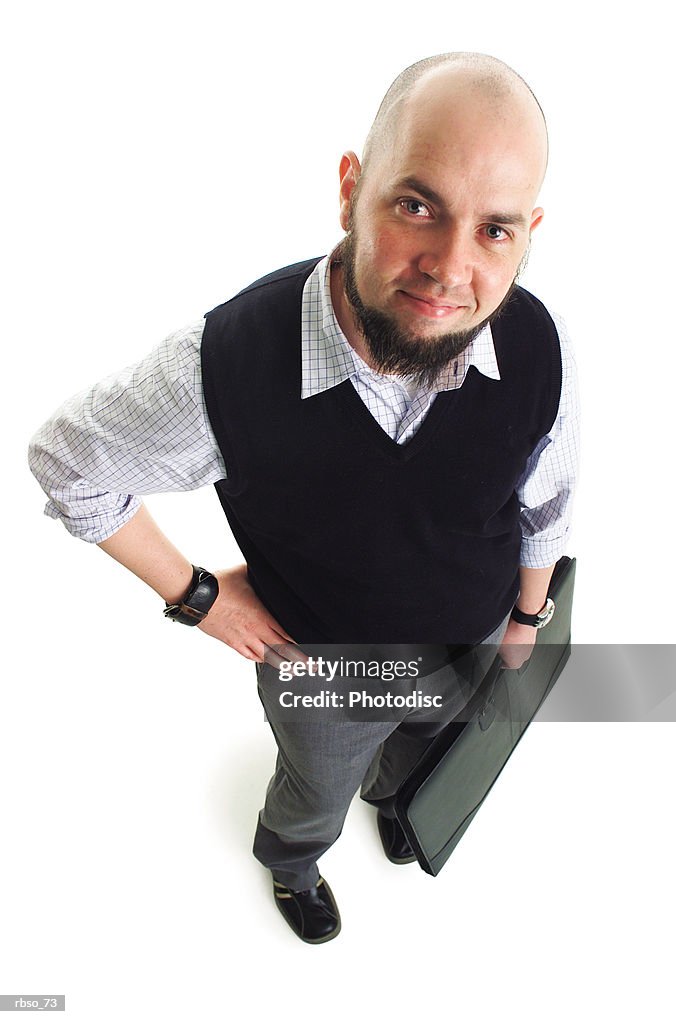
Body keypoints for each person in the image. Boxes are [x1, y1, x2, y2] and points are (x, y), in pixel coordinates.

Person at [29, 52, 579, 944]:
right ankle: (291, 864)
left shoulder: (540, 343)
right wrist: (195, 595)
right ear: (350, 190)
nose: (449, 269)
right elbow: (68, 460)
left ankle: (402, 793)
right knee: (314, 793)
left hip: (471, 634)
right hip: (323, 668)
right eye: (417, 205)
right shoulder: (224, 367)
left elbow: (548, 503)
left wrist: (526, 618)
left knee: (427, 738)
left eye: (495, 230)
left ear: (529, 231)